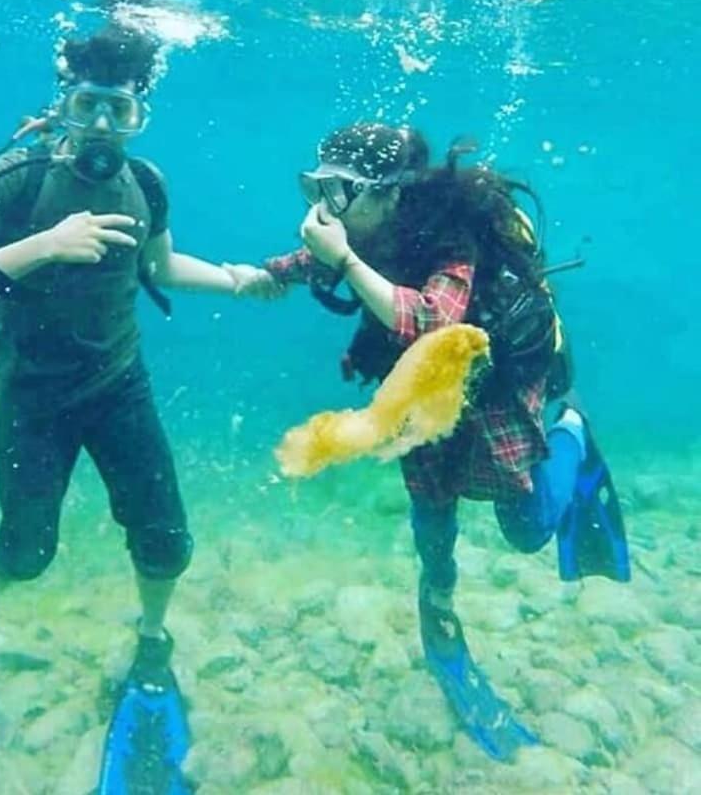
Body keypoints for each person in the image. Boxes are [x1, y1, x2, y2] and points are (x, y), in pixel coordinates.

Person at [0, 23, 264, 783]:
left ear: (140, 116)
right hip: (33, 395)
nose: (102, 125)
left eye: (121, 110)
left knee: (166, 541)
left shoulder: (145, 182)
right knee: (27, 551)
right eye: (89, 104)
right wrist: (45, 244)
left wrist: (234, 279)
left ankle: (152, 643)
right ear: (63, 102)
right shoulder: (15, 179)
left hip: (120, 384)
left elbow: (160, 266)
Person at [229, 121, 630, 762]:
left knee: (527, 528)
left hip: (494, 389)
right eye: (317, 186)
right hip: (424, 397)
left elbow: (432, 318)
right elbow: (301, 265)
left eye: (339, 190)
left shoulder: (449, 233)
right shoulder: (358, 231)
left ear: (388, 192)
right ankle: (438, 599)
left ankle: (574, 430)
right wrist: (255, 276)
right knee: (432, 505)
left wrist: (344, 261)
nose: (324, 204)